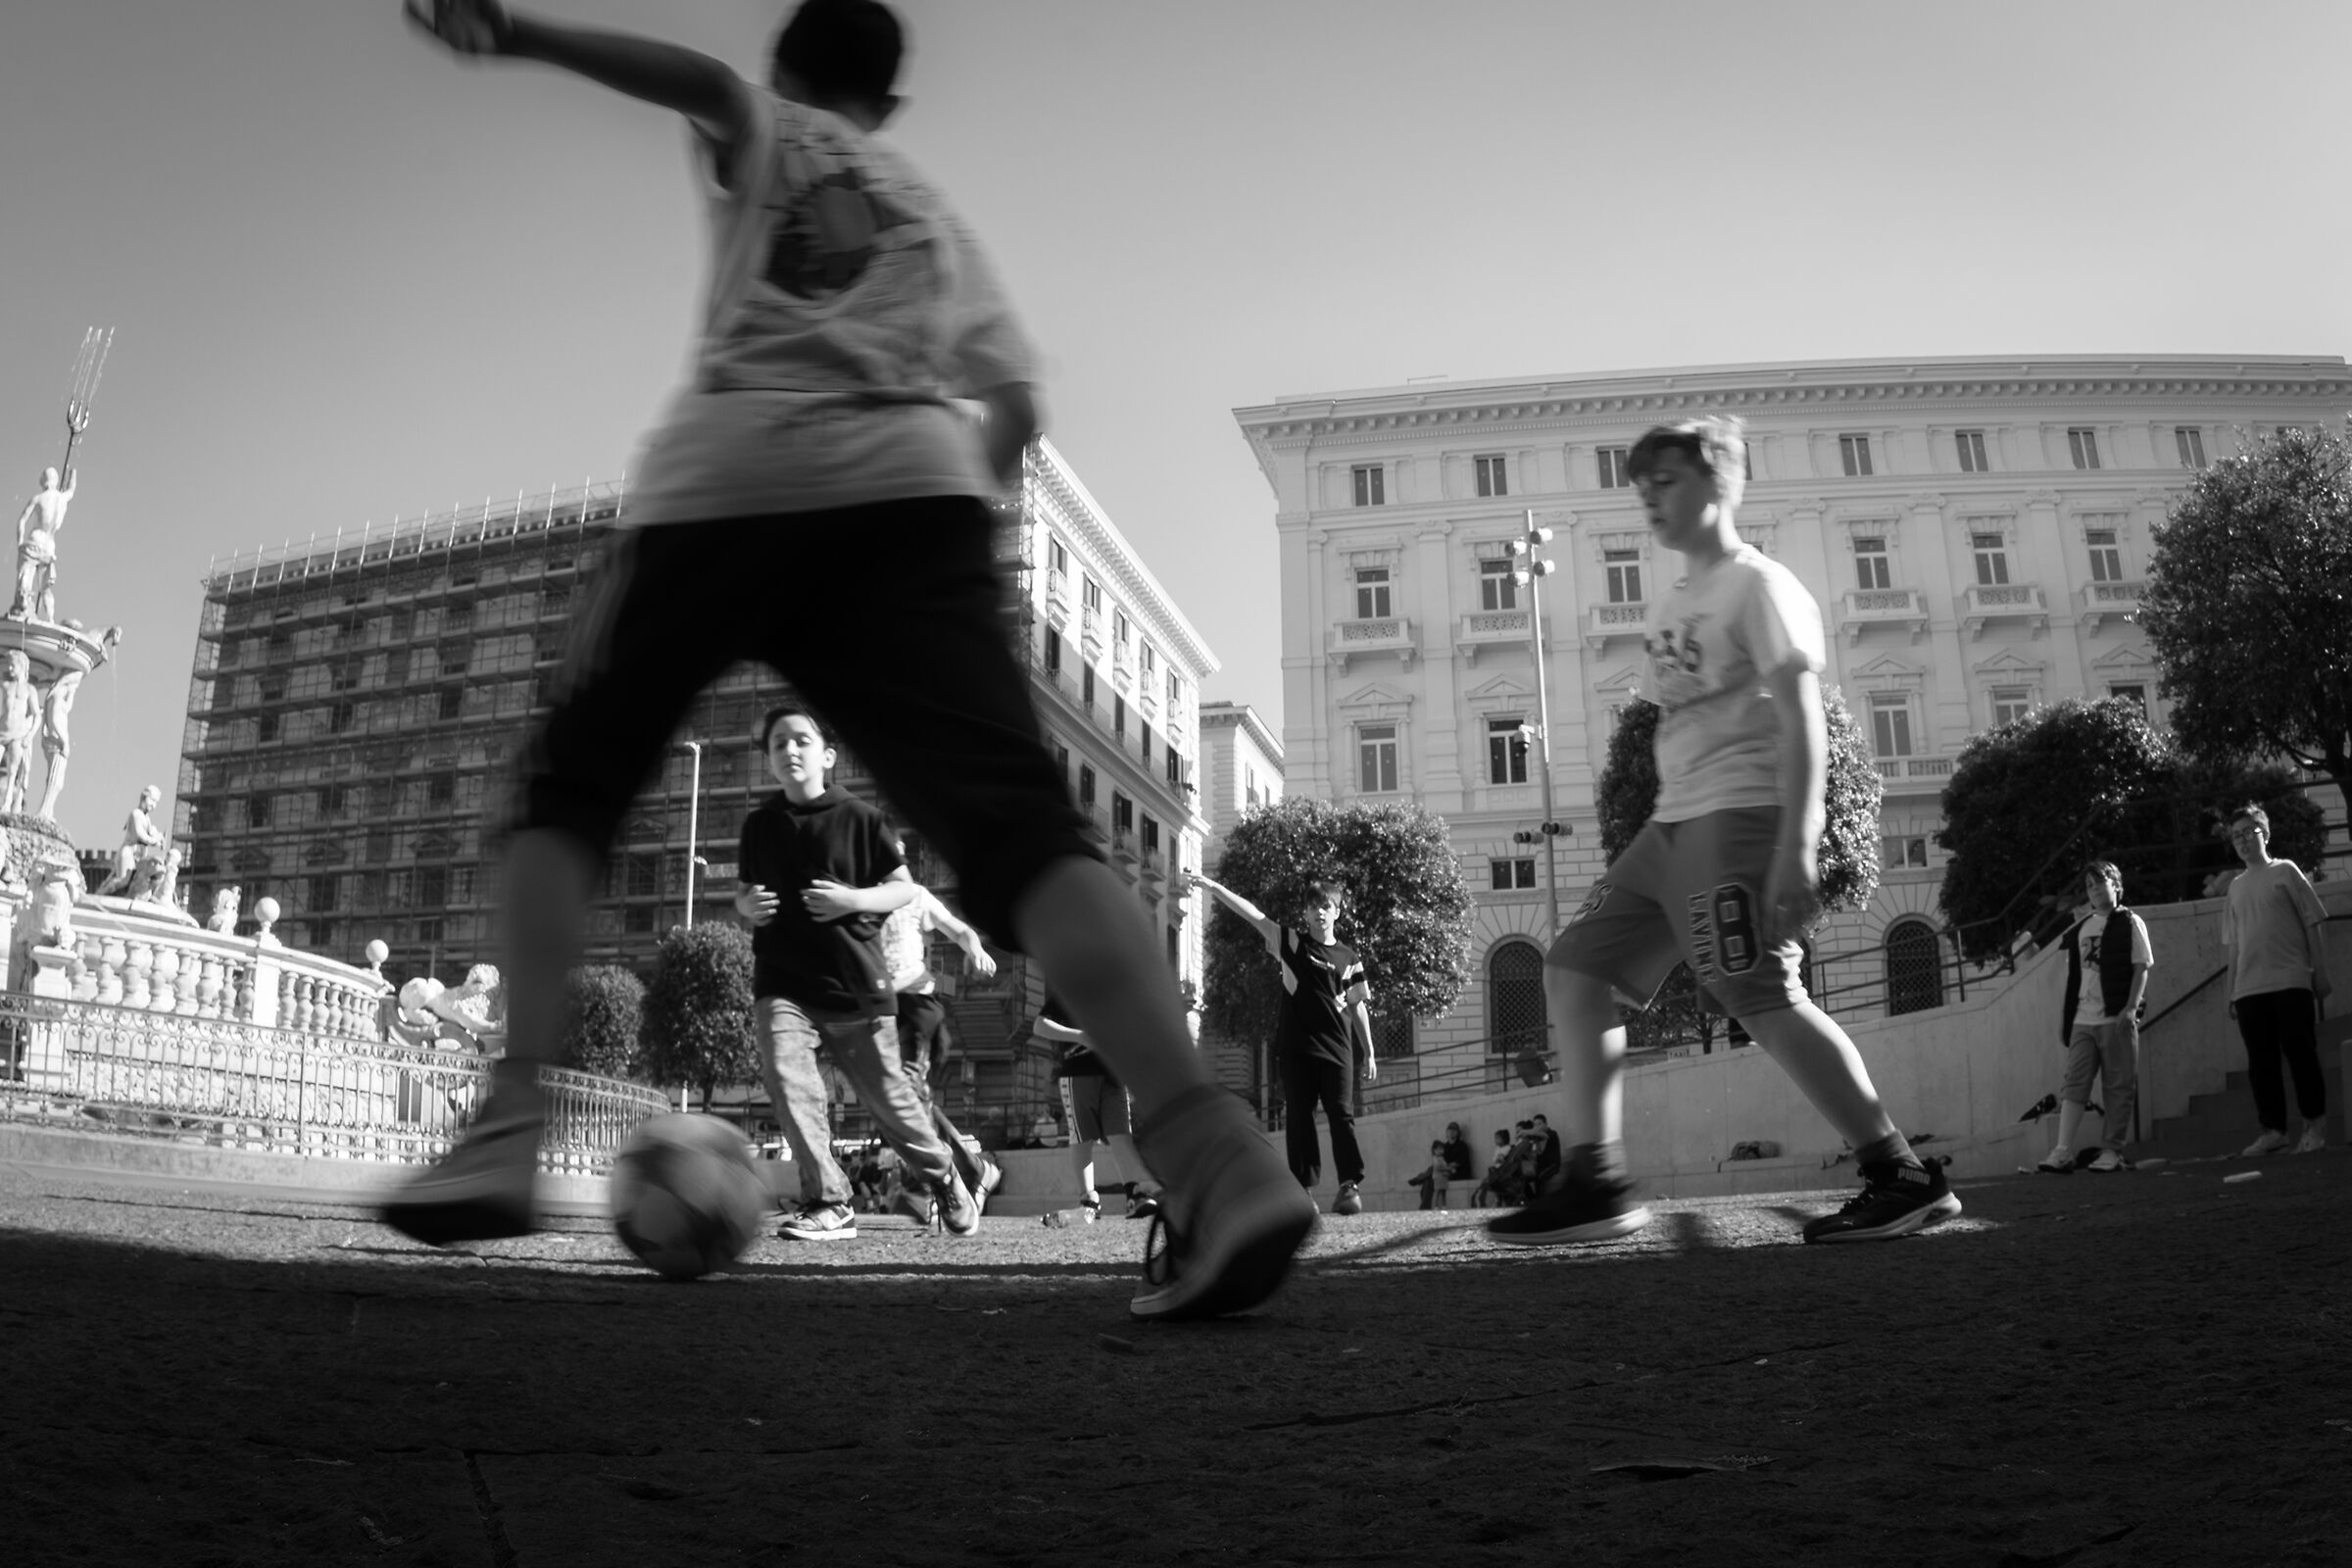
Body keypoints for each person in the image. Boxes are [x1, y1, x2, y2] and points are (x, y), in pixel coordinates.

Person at [384, 0, 1315, 1319]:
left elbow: (700, 84)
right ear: (894, 102)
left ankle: (512, 1125)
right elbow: (1020, 408)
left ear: (794, 73)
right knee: (1030, 837)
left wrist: (516, 34)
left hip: (731, 479)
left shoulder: (770, 126)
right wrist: (934, 542)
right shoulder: (933, 213)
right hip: (914, 499)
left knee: (567, 790)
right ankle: (1220, 1159)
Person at [1488, 417, 1961, 1247]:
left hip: (1740, 816)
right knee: (1573, 966)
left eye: (1665, 482)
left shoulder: (1760, 585)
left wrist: (1800, 842)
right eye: (1642, 488)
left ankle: (1901, 1172)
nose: (1649, 501)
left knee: (1758, 993)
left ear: (1718, 484)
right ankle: (1595, 1178)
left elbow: (1802, 712)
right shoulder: (1674, 599)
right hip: (1670, 827)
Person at [731, 705, 974, 1242]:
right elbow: (744, 892)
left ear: (828, 755)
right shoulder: (759, 825)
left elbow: (905, 888)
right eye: (778, 744)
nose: (789, 751)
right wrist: (745, 907)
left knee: (890, 1105)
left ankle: (946, 1176)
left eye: (800, 740)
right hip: (781, 982)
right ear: (770, 760)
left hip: (855, 988)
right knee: (788, 1079)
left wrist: (851, 900)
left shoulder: (861, 818)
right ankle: (830, 1201)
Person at [1190, 872, 1376, 1214]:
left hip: (1338, 1050)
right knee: (1300, 1117)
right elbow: (1252, 914)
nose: (1319, 912)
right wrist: (1213, 887)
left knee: (1342, 1115)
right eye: (1313, 907)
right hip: (1297, 1049)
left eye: (1326, 906)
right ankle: (1302, 1191)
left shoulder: (1349, 957)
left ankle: (1350, 1186)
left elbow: (1357, 1004)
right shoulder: (1290, 941)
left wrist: (1369, 1049)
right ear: (1305, 913)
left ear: (1337, 912)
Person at [877, 836, 1007, 1219]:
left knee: (905, 1093)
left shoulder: (915, 896)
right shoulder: (862, 899)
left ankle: (932, 1185)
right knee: (904, 1103)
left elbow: (958, 929)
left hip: (916, 1006)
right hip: (880, 1010)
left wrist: (976, 949)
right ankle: (972, 1170)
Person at [2222, 806, 2332, 1155]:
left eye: (2248, 831)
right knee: (2261, 1063)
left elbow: (2314, 921)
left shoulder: (2286, 870)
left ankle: (2315, 1124)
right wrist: (2230, 992)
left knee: (2301, 1054)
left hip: (2291, 979)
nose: (2241, 840)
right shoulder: (2235, 888)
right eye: (2235, 835)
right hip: (2249, 988)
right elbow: (2235, 945)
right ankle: (2274, 1130)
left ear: (2264, 834)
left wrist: (2321, 972)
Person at [2036, 862, 2151, 1174]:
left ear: (2116, 884)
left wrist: (2130, 1008)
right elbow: (2075, 977)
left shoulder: (2130, 922)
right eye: (2089, 886)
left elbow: (2142, 967)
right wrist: (2068, 1019)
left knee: (2119, 1084)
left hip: (2116, 1018)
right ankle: (2062, 1151)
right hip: (2083, 1020)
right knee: (2074, 1084)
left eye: (2100, 883)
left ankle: (2112, 1150)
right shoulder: (2081, 927)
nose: (2094, 890)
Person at [1034, 991, 1161, 1219]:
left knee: (1121, 1134)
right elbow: (1039, 1026)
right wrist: (1080, 1036)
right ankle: (1088, 1199)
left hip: (1114, 1074)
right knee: (1082, 1138)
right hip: (1077, 1074)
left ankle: (1133, 1195)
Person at [12, 466, 76, 621]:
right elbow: (72, 489)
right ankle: (50, 620)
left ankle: (22, 610)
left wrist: (20, 544)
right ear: (55, 481)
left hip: (35, 541)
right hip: (49, 547)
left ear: (43, 481)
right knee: (45, 588)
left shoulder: (38, 498)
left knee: (25, 579)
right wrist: (72, 472)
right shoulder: (62, 498)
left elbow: (21, 521)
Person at [93, 785, 166, 896]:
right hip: (127, 854)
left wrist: (158, 838)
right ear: (144, 797)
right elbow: (141, 837)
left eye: (156, 802)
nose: (153, 805)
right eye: (152, 800)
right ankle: (100, 894)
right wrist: (155, 840)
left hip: (137, 858)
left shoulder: (146, 818)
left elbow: (150, 835)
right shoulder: (136, 814)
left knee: (129, 885)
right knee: (123, 881)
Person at [1408, 1121, 1473, 1209]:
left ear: (1458, 1133)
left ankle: (1419, 1178)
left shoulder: (1462, 1146)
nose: (1451, 1132)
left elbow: (1459, 1163)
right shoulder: (1444, 1147)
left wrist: (1446, 1167)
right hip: (1444, 1171)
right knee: (1428, 1182)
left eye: (1454, 1130)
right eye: (1450, 1129)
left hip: (1457, 1173)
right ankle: (1424, 1207)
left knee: (1432, 1173)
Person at [1468, 1129, 1519, 1208]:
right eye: (1495, 1138)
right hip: (1496, 1169)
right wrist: (1497, 1159)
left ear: (1504, 1139)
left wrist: (1502, 1159)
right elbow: (1495, 1158)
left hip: (1503, 1171)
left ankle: (1493, 1201)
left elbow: (1505, 1159)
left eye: (1498, 1138)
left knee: (1491, 1184)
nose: (1496, 1140)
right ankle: (1483, 1202)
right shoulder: (1497, 1148)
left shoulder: (1508, 1148)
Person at [1529, 1112, 1563, 1188]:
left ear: (1546, 1124)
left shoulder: (1552, 1133)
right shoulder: (1537, 1137)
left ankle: (1541, 1198)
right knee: (1526, 1177)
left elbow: (1545, 1136)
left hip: (1551, 1166)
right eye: (1535, 1125)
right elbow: (1535, 1152)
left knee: (1539, 1178)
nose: (1537, 1127)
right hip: (1541, 1167)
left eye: (1539, 1124)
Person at [1417, 1141, 1453, 1210]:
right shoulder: (1435, 1158)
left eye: (1442, 1149)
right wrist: (1448, 1168)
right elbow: (1438, 1167)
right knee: (1437, 1191)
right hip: (1438, 1177)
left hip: (1444, 1178)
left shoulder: (1442, 1158)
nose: (1440, 1151)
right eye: (1438, 1149)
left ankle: (1444, 1206)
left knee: (1443, 1192)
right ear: (1434, 1150)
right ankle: (1435, 1206)